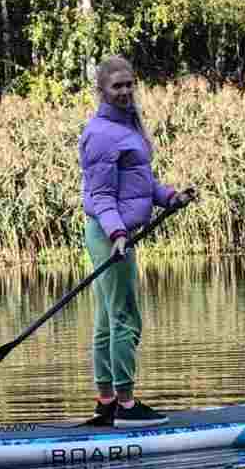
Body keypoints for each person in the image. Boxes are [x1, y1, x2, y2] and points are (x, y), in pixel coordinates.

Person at [79, 55, 192, 426]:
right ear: (102, 90)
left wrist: (170, 197)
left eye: (130, 84)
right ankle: (126, 407)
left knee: (107, 320)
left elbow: (139, 187)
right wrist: (118, 234)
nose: (126, 91)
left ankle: (107, 401)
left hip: (116, 235)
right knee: (125, 318)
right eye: (118, 86)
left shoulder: (128, 128)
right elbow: (101, 197)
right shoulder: (100, 134)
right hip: (110, 236)